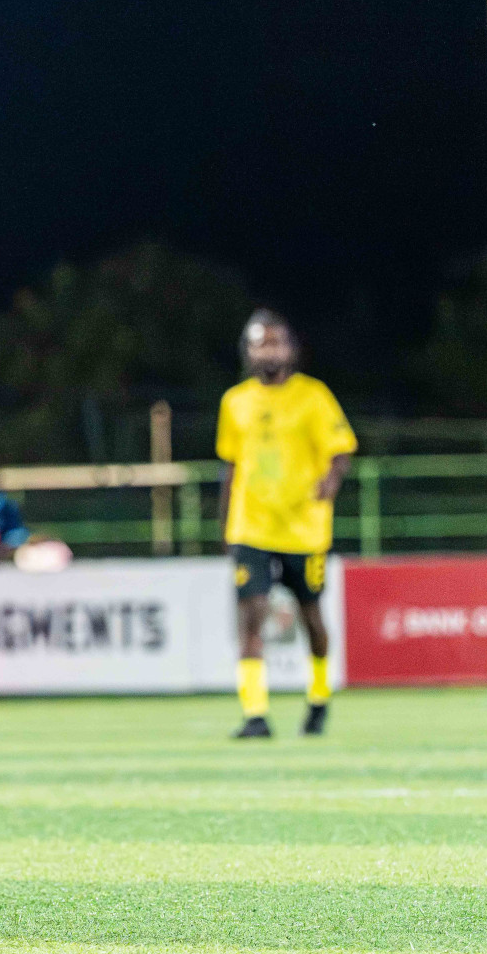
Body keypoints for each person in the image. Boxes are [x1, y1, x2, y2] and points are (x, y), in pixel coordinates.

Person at [216, 310, 356, 739]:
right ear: (248, 351)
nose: (268, 351)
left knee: (311, 616)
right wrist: (225, 527)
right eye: (260, 343)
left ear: (291, 349)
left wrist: (330, 482)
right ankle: (255, 714)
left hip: (303, 528)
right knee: (250, 618)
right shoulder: (235, 402)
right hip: (251, 527)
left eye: (275, 342)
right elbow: (230, 466)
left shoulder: (313, 397)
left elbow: (341, 449)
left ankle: (318, 697)